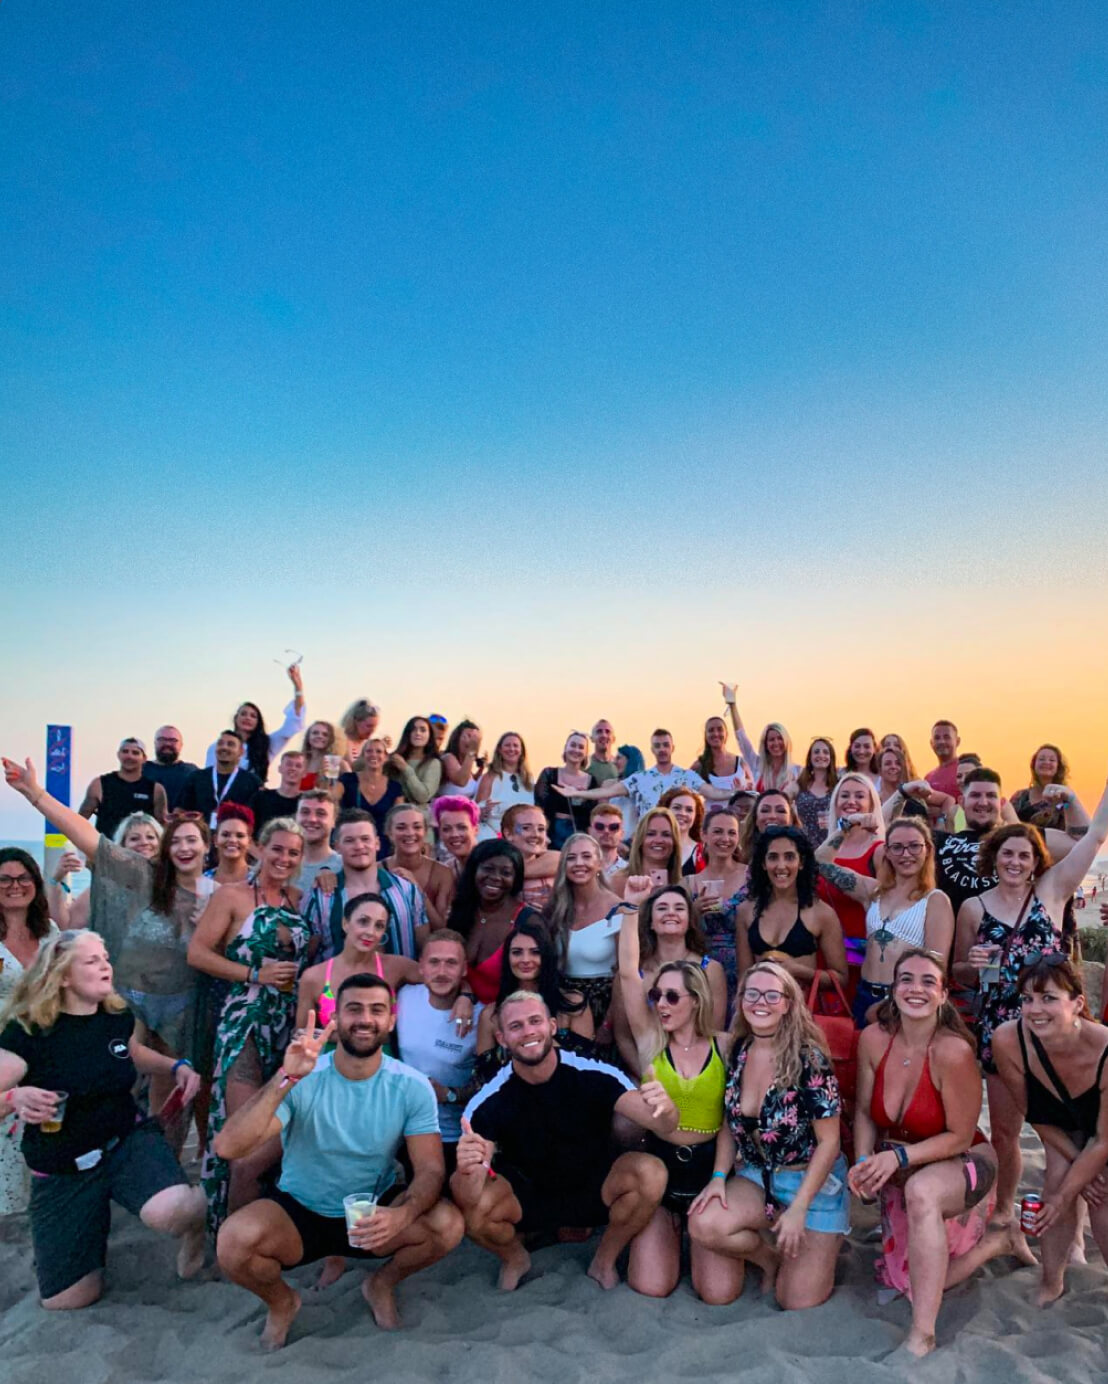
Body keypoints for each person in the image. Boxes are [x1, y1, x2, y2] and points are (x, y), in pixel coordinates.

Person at [214, 976, 463, 1345]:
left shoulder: (412, 1086)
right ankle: (283, 1303)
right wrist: (286, 1076)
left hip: (368, 1213)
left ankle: (381, 1284)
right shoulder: (306, 1077)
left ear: (391, 1021)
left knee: (447, 1224)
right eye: (354, 1009)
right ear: (335, 1018)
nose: (365, 1019)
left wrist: (403, 1214)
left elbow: (430, 1169)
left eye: (376, 1010)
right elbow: (228, 1147)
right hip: (299, 1210)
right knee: (233, 1243)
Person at [0, 930, 205, 1308]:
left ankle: (196, 1228)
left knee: (174, 1210)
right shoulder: (28, 1032)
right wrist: (14, 1098)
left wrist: (175, 1066)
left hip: (124, 1142)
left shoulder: (115, 1016)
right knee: (68, 1299)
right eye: (91, 960)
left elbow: (127, 1052)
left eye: (106, 958)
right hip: (64, 1169)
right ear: (63, 975)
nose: (105, 966)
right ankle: (85, 1234)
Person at [5, 760, 215, 1116]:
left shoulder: (218, 896)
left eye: (191, 840)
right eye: (176, 841)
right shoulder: (142, 874)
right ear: (166, 849)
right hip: (127, 998)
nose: (183, 848)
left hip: (181, 1006)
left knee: (173, 1103)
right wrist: (35, 793)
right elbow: (88, 838)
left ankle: (162, 1152)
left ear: (206, 846)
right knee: (117, 1086)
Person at [953, 774, 1108, 1252]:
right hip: (999, 1030)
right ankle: (1005, 1212)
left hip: (1057, 1033)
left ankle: (1074, 1234)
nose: (1015, 862)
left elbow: (1095, 837)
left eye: (1024, 855)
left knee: (1072, 1132)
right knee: (1006, 1130)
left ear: (1036, 860)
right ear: (994, 857)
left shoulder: (1053, 891)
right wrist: (972, 964)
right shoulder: (973, 908)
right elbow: (959, 973)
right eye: (1007, 853)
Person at [850, 949, 1020, 1358]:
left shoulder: (953, 1052)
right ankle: (999, 1243)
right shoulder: (872, 1040)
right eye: (906, 979)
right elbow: (864, 1112)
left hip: (966, 1162)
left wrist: (897, 1159)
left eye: (929, 981)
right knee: (910, 1278)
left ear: (943, 995)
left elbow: (961, 1137)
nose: (916, 989)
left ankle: (922, 1334)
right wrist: (862, 1160)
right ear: (893, 989)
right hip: (908, 1162)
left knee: (923, 1192)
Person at [453, 991, 676, 1290]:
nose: (528, 1031)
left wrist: (667, 1108)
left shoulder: (594, 1072)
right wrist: (466, 1169)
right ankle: (515, 1258)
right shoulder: (487, 1100)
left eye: (535, 1021)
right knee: (474, 1206)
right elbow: (469, 1195)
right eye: (516, 1026)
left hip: (595, 1188)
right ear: (502, 1039)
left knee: (651, 1172)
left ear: (552, 1026)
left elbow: (662, 1124)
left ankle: (604, 1260)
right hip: (527, 1198)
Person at [687, 961, 847, 1309]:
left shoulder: (809, 1058)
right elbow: (730, 1122)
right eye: (752, 994)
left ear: (788, 1004)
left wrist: (800, 1207)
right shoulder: (738, 1051)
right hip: (759, 1176)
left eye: (772, 995)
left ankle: (824, 1239)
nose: (761, 1002)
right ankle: (768, 1257)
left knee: (796, 1301)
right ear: (741, 1000)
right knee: (704, 1224)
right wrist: (718, 1177)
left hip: (810, 1181)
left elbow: (830, 1143)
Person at [187, 818, 310, 1229]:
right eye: (277, 849)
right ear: (260, 848)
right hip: (246, 1019)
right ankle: (231, 1231)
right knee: (245, 1133)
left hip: (289, 1023)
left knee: (279, 1125)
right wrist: (255, 974)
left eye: (293, 852)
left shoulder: (300, 899)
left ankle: (265, 1223)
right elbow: (197, 953)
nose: (284, 858)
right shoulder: (232, 896)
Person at [615, 874, 734, 1298]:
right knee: (651, 1285)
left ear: (696, 1000)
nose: (660, 1004)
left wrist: (720, 1176)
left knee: (718, 1294)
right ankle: (666, 1228)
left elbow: (731, 1120)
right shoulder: (651, 1041)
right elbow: (628, 973)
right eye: (657, 996)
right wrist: (631, 908)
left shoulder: (724, 1046)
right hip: (662, 1170)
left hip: (709, 1171)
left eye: (671, 997)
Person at [993, 956, 1108, 1306]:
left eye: (1048, 998)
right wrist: (1075, 1171)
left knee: (1102, 1199)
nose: (1035, 1009)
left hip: (1103, 1131)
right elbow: (1034, 1114)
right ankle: (1051, 1281)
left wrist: (1081, 1179)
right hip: (1058, 1125)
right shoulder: (1008, 1040)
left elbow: (1103, 1140)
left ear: (1078, 1004)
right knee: (1058, 1179)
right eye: (1027, 999)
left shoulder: (1104, 1049)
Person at [816, 816, 955, 1026]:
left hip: (904, 1001)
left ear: (927, 849)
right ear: (887, 852)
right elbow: (820, 861)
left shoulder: (935, 901)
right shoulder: (873, 891)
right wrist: (848, 824)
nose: (906, 854)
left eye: (914, 846)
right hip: (864, 994)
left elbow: (936, 967)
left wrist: (893, 1004)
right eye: (897, 847)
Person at [934, 768, 1081, 917]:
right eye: (975, 795)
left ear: (1002, 802)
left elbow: (1080, 844)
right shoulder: (941, 842)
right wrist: (916, 796)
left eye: (991, 795)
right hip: (954, 929)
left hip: (1007, 928)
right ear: (962, 802)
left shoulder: (1020, 839)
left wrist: (1071, 800)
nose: (983, 802)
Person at [0, 849, 60, 1214]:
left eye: (23, 878)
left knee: (38, 1126)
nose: (15, 885)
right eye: (5, 879)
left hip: (44, 1046)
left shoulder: (50, 932)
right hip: (3, 1051)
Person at [613, 885, 726, 1073]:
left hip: (700, 1072)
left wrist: (688, 1076)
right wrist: (648, 1074)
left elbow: (712, 1032)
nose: (671, 913)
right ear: (650, 922)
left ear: (690, 921)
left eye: (679, 908)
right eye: (662, 908)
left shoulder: (711, 970)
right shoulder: (633, 974)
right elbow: (623, 1036)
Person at [396, 931, 483, 1174]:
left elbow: (490, 1081)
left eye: (451, 963)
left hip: (451, 1135)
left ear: (464, 969)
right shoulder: (403, 997)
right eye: (434, 962)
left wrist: (448, 1095)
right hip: (400, 1131)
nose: (441, 971)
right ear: (421, 967)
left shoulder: (482, 1018)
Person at [474, 918, 594, 1079]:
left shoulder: (574, 1004)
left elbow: (587, 1066)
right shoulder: (491, 1015)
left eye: (535, 952)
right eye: (517, 952)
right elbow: (483, 1076)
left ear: (547, 956)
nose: (525, 960)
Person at [302, 811, 428, 962]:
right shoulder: (320, 896)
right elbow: (307, 956)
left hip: (401, 977)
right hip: (338, 977)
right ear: (337, 847)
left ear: (377, 843)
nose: (359, 846)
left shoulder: (407, 890)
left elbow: (424, 948)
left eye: (365, 839)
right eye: (349, 840)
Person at [737, 827, 847, 990]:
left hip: (803, 1004)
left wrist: (800, 971)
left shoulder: (822, 913)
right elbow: (743, 978)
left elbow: (841, 979)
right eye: (773, 857)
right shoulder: (745, 911)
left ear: (801, 862)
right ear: (763, 863)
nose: (781, 866)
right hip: (759, 1002)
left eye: (789, 857)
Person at [561, 730, 730, 828]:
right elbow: (608, 791)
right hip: (648, 840)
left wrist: (739, 792)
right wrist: (577, 793)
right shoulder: (641, 778)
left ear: (672, 748)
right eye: (657, 746)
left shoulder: (686, 776)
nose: (662, 749)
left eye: (665, 745)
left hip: (680, 839)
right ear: (652, 749)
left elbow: (713, 792)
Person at [445, 841, 543, 1006]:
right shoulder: (461, 911)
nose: (496, 877)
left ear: (516, 879)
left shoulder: (528, 921)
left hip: (508, 1013)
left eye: (506, 872)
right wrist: (466, 993)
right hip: (461, 1011)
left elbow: (541, 982)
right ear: (474, 870)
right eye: (488, 869)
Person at [545, 833, 622, 1030]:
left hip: (606, 1006)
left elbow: (625, 973)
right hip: (563, 1007)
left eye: (587, 856)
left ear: (599, 863)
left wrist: (610, 1020)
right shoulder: (554, 909)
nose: (579, 863)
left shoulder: (618, 908)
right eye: (571, 858)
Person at [814, 774, 887, 977]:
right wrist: (846, 826)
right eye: (844, 795)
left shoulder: (880, 851)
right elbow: (816, 863)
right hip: (823, 957)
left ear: (871, 805)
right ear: (835, 803)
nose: (851, 801)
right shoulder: (825, 850)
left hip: (863, 959)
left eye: (859, 796)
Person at [48, 812, 163, 931]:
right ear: (122, 846)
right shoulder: (107, 885)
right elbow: (66, 925)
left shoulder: (169, 882)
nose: (144, 842)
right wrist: (57, 879)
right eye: (134, 838)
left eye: (150, 837)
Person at [686, 806, 750, 1006]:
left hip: (745, 966)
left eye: (732, 833)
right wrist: (693, 913)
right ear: (703, 835)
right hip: (703, 971)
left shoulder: (753, 877)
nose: (725, 838)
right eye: (718, 831)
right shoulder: (688, 883)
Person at [204, 662, 307, 783]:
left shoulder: (266, 744)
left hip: (254, 793)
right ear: (236, 718)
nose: (247, 718)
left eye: (253, 716)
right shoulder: (219, 747)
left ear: (258, 722)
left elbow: (292, 724)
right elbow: (208, 777)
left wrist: (298, 687)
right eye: (243, 714)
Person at [381, 803, 455, 928]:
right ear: (389, 833)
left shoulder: (442, 873)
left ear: (425, 832)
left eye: (417, 827)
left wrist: (416, 890)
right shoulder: (377, 870)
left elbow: (441, 928)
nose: (410, 833)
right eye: (401, 828)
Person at [77, 737, 167, 839]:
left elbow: (162, 826)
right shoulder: (100, 784)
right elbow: (80, 820)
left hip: (140, 847)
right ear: (118, 754)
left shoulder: (155, 789)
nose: (129, 756)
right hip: (106, 846)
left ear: (144, 758)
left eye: (135, 753)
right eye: (125, 751)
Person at [178, 730, 263, 830]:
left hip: (235, 836)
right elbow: (180, 810)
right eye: (220, 743)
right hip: (200, 836)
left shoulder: (253, 782)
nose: (224, 747)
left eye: (230, 744)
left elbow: (258, 817)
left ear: (241, 752)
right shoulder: (196, 778)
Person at [719, 684, 797, 791]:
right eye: (771, 740)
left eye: (780, 738)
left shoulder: (797, 772)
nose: (776, 743)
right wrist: (732, 705)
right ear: (765, 744)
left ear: (786, 741)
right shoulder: (757, 764)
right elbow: (741, 737)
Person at [337, 740, 404, 852]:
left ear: (386, 757)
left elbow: (398, 819)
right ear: (363, 756)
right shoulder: (348, 779)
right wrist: (327, 775)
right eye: (369, 751)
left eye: (378, 751)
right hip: (352, 841)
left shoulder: (395, 787)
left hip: (382, 845)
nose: (373, 754)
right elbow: (331, 798)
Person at [534, 731, 599, 847]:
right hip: (552, 832)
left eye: (581, 747)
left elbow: (593, 814)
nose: (576, 750)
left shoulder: (592, 781)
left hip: (579, 833)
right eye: (573, 745)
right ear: (565, 748)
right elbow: (539, 807)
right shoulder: (549, 774)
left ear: (586, 753)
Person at [609, 806, 684, 898]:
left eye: (666, 835)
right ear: (640, 840)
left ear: (675, 842)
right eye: (651, 834)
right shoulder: (618, 881)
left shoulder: (683, 885)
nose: (658, 840)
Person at [475, 732, 535, 841]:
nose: (511, 749)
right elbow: (476, 810)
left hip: (523, 836)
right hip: (494, 834)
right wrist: (483, 811)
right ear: (500, 750)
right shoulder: (490, 777)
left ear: (521, 751)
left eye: (515, 746)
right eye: (507, 745)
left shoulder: (528, 779)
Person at [501, 803, 561, 912]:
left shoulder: (555, 861)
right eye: (526, 828)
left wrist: (516, 873)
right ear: (508, 834)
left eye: (541, 829)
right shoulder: (495, 863)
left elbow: (562, 858)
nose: (535, 834)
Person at [1010, 745, 1080, 832]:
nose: (1046, 762)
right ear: (1034, 765)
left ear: (1058, 767)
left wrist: (1060, 804)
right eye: (1041, 759)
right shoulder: (1020, 796)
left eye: (1052, 760)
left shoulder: (1064, 797)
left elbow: (1071, 816)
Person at [292, 790, 342, 893]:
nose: (312, 819)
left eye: (320, 813)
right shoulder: (281, 864)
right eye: (305, 812)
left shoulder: (344, 867)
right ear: (296, 817)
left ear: (334, 821)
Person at [692, 714, 754, 795]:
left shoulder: (740, 762)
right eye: (711, 730)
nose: (716, 734)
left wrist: (745, 785)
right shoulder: (699, 765)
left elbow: (753, 786)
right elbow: (684, 787)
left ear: (726, 734)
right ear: (706, 736)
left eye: (720, 729)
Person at [386, 717, 443, 805]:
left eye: (423, 730)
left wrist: (405, 769)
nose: (418, 733)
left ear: (429, 735)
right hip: (391, 810)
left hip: (418, 812)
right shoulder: (395, 759)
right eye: (413, 730)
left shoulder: (433, 763)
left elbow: (423, 796)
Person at [795, 738, 838, 849]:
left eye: (825, 752)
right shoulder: (800, 784)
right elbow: (783, 798)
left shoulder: (839, 785)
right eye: (816, 752)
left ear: (831, 758)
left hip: (832, 847)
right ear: (810, 758)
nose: (821, 755)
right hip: (804, 847)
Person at [146, 726, 199, 811]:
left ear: (181, 745)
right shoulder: (141, 770)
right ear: (155, 743)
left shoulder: (192, 773)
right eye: (162, 739)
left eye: (173, 740)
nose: (167, 744)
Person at [252, 751, 306, 832]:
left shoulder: (306, 802)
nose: (293, 768)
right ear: (280, 768)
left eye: (298, 766)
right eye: (289, 764)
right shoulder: (261, 798)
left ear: (304, 773)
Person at [431, 795, 480, 879]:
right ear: (440, 833)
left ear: (475, 830)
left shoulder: (491, 863)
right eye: (446, 829)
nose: (454, 834)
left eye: (462, 827)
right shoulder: (446, 871)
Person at [206, 804, 254, 886]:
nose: (232, 840)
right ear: (215, 840)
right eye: (225, 835)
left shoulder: (260, 880)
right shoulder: (203, 882)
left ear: (249, 842)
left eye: (240, 836)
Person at [658, 786, 705, 871]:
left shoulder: (702, 852)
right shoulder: (651, 845)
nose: (683, 813)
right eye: (677, 808)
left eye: (689, 810)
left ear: (696, 816)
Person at [298, 720, 349, 790]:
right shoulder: (300, 762)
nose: (319, 736)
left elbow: (352, 789)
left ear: (331, 739)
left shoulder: (335, 763)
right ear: (308, 737)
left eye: (325, 735)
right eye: (315, 733)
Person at [439, 720, 483, 798]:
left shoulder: (465, 765)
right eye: (469, 736)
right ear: (457, 738)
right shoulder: (448, 757)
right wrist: (472, 751)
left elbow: (470, 784)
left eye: (475, 738)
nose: (472, 741)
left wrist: (481, 769)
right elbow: (461, 781)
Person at [924, 720, 962, 799]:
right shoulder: (928, 778)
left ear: (957, 741)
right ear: (931, 743)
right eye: (937, 738)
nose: (941, 741)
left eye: (946, 737)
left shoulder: (966, 772)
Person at [588, 803, 627, 879]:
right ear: (590, 831)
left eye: (613, 827)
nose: (606, 831)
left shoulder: (630, 870)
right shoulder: (581, 867)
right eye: (600, 826)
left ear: (622, 834)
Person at [339, 697, 382, 764]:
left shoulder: (370, 744)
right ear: (356, 722)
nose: (372, 730)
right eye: (369, 726)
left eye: (375, 727)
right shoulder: (341, 741)